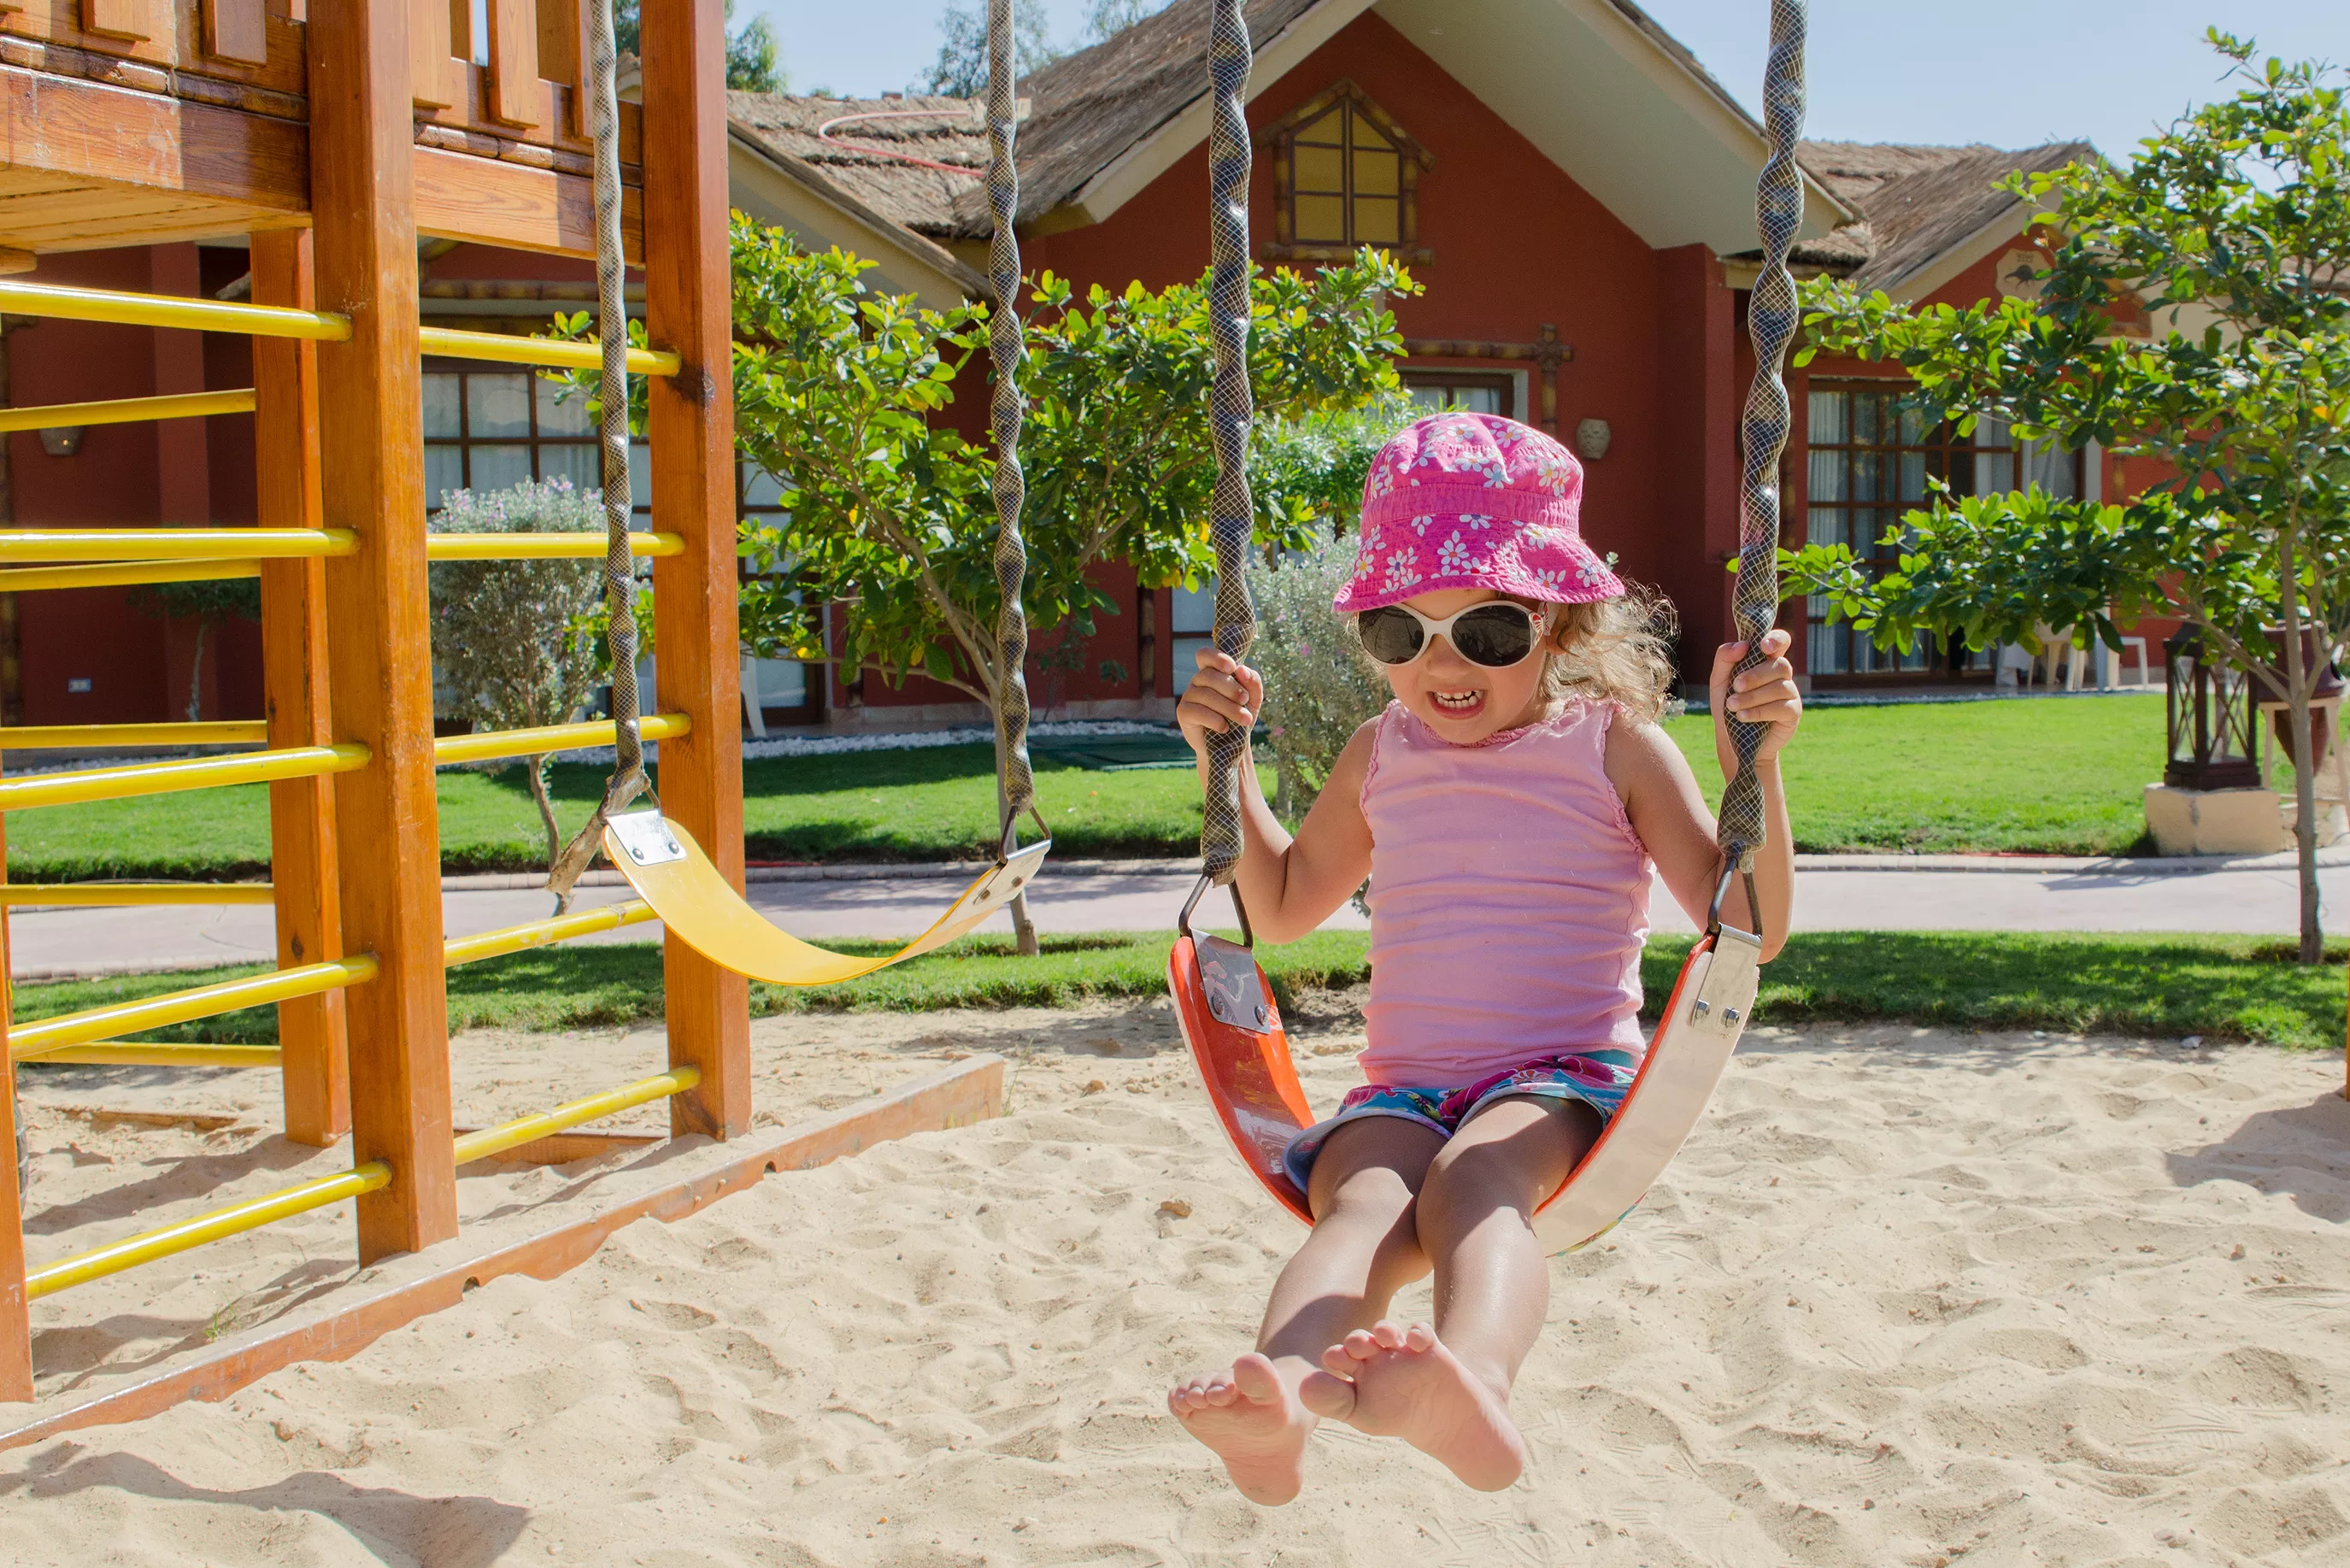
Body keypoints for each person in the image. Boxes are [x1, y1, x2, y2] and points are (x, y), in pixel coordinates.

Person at [1166, 412, 1801, 1504]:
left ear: (1555, 621)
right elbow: (1275, 906)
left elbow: (1741, 922)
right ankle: (1275, 1397)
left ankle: (1471, 1384)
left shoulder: (1611, 745)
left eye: (1488, 632)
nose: (1440, 664)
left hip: (1557, 1081)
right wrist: (1224, 768)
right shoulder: (1381, 749)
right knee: (1360, 1197)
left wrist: (1758, 767)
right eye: (1396, 633)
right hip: (1403, 1088)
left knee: (1475, 1174)